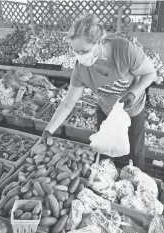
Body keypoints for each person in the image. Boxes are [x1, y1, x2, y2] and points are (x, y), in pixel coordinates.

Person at [41, 14, 156, 169]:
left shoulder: (124, 50)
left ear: (99, 42)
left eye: (84, 51)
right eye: (76, 51)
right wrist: (49, 130)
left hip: (132, 109)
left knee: (135, 151)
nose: (80, 57)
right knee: (105, 153)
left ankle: (137, 185)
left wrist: (133, 93)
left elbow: (150, 74)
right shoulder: (81, 68)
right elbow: (68, 103)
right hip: (105, 110)